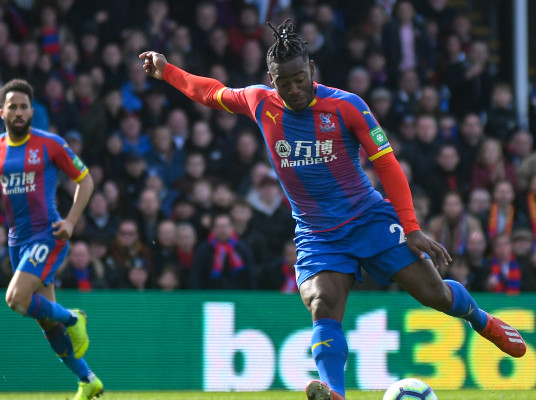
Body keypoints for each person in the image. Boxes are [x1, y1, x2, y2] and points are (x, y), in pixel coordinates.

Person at [140, 19, 527, 400]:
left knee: (435, 295)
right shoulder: (260, 102)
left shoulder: (346, 106)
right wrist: (167, 70)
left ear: (311, 69)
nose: (293, 89)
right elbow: (211, 92)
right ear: (271, 80)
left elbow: (388, 165)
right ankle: (335, 394)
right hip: (317, 233)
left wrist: (410, 227)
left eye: (299, 79)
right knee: (322, 303)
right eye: (284, 83)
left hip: (368, 219)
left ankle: (481, 319)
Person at [0, 79, 103, 400]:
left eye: (24, 107)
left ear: (32, 111)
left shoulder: (50, 144)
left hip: (47, 234)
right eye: (13, 107)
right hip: (17, 242)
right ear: (2, 112)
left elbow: (86, 181)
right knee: (46, 321)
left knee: (16, 299)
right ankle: (87, 380)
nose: (19, 112)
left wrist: (71, 221)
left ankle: (74, 318)